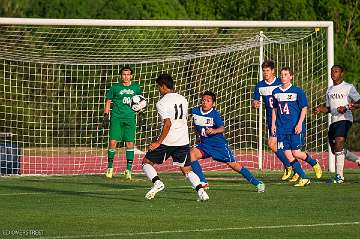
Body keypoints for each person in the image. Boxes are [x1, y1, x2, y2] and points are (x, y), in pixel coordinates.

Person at [141, 73, 209, 201]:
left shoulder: (161, 103)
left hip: (168, 141)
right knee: (187, 169)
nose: (158, 90)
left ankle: (157, 183)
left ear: (163, 86)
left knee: (146, 162)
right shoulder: (183, 99)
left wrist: (158, 142)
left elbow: (168, 123)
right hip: (182, 140)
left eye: (158, 87)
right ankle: (201, 191)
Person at [190, 91, 265, 192]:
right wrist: (198, 136)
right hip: (205, 145)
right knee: (192, 155)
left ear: (213, 103)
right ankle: (203, 182)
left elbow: (222, 128)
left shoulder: (215, 114)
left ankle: (257, 183)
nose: (205, 102)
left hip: (219, 145)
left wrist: (214, 130)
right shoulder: (195, 111)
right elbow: (196, 126)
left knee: (234, 165)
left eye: (208, 101)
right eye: (203, 100)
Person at [271, 67, 322, 187]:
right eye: (282, 75)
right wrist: (273, 124)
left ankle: (314, 163)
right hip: (281, 128)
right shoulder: (275, 92)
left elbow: (304, 108)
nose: (283, 76)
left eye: (286, 74)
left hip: (294, 127)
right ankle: (304, 178)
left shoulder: (297, 91)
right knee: (287, 154)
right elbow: (274, 109)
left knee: (297, 153)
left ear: (291, 77)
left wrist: (299, 124)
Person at [314, 65, 360, 183]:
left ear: (342, 73)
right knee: (336, 150)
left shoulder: (348, 87)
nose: (333, 73)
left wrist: (349, 107)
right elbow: (329, 109)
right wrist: (321, 109)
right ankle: (358, 160)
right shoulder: (329, 90)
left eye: (336, 71)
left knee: (339, 141)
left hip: (345, 119)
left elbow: (358, 102)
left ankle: (339, 176)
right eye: (332, 72)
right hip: (334, 121)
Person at [252, 61, 292, 181]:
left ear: (273, 71)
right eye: (263, 71)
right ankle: (290, 166)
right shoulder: (259, 86)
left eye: (268, 70)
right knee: (272, 145)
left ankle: (291, 167)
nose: (265, 73)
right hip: (272, 119)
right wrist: (254, 103)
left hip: (284, 119)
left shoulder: (281, 83)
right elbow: (254, 101)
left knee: (285, 146)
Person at [102, 66, 142, 180]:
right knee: (113, 142)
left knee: (130, 144)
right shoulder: (115, 87)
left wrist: (140, 114)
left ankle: (128, 170)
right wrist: (105, 115)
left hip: (130, 118)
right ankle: (110, 168)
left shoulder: (136, 87)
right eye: (124, 74)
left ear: (131, 76)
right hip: (116, 118)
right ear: (121, 76)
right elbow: (108, 101)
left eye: (128, 74)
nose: (126, 76)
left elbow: (139, 101)